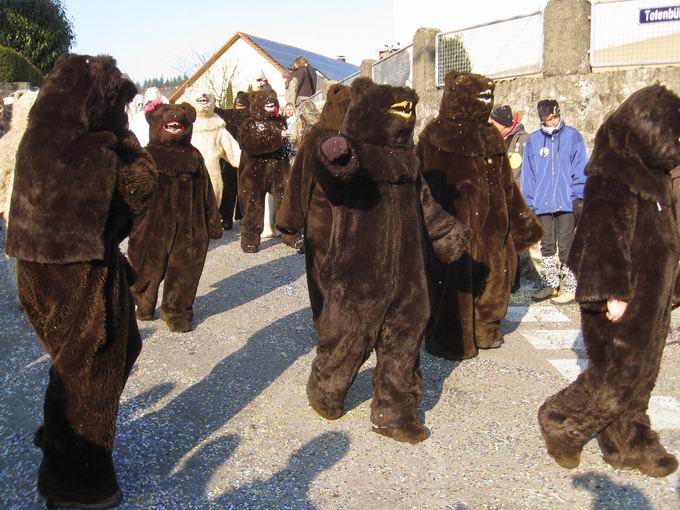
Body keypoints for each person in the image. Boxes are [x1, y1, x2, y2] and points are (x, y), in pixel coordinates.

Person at [5, 54, 157, 508]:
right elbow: (133, 200)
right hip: (79, 272)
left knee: (87, 360)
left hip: (43, 267)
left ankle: (62, 443)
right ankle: (74, 480)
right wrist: (127, 145)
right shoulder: (91, 151)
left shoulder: (42, 138)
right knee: (92, 366)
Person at [538, 84, 680, 478]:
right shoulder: (613, 175)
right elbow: (601, 236)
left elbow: (668, 238)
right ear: (648, 129)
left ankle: (629, 443)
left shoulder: (656, 178)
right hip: (621, 296)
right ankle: (560, 418)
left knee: (644, 373)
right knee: (615, 376)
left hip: (652, 294)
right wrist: (611, 292)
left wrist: (673, 287)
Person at [418, 71, 543, 360]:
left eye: (488, 95)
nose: (486, 99)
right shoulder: (434, 134)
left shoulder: (491, 137)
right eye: (480, 95)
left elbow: (507, 185)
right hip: (449, 226)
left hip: (491, 225)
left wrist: (522, 225)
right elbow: (418, 182)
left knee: (495, 279)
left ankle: (486, 331)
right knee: (450, 285)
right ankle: (449, 340)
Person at [521, 99, 587, 305]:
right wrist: (529, 202)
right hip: (542, 203)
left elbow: (580, 167)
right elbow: (528, 175)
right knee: (547, 246)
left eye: (556, 117)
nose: (554, 121)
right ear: (542, 119)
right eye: (549, 119)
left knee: (567, 246)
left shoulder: (572, 136)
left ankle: (569, 287)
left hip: (566, 202)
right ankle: (550, 284)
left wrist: (578, 196)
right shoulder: (533, 140)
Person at [490, 105, 536, 292]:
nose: (490, 125)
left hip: (519, 199)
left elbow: (533, 170)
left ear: (503, 124)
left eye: (493, 122)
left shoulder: (525, 141)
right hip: (499, 200)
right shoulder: (494, 140)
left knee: (519, 244)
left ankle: (522, 282)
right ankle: (507, 281)